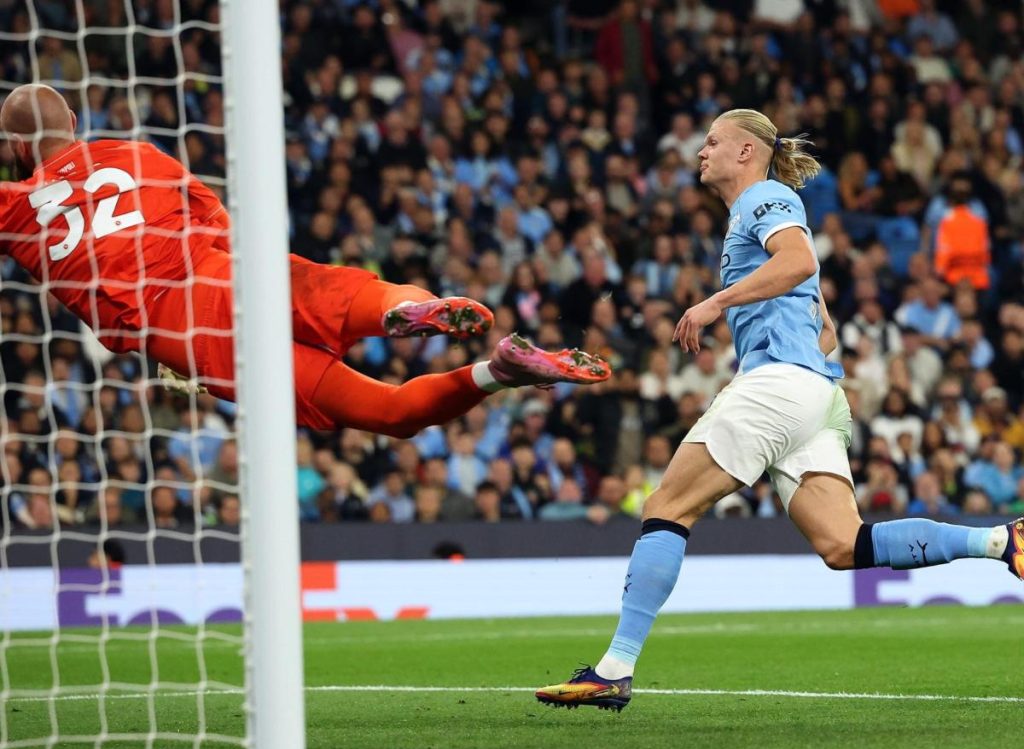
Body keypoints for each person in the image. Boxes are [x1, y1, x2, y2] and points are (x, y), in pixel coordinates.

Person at [536, 108, 1024, 712]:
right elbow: (826, 329)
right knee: (844, 545)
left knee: (666, 506)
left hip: (779, 387)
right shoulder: (758, 211)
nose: (701, 151)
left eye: (713, 142)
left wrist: (717, 304)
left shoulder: (764, 196)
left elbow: (799, 263)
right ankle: (1003, 542)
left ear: (747, 152)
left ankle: (613, 670)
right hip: (817, 395)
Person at [0, 85, 610, 438]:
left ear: (16, 147)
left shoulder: (16, 207)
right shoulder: (135, 154)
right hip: (229, 267)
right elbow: (218, 222)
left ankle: (495, 374)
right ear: (75, 124)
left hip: (180, 325)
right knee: (355, 298)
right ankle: (412, 311)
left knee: (389, 412)